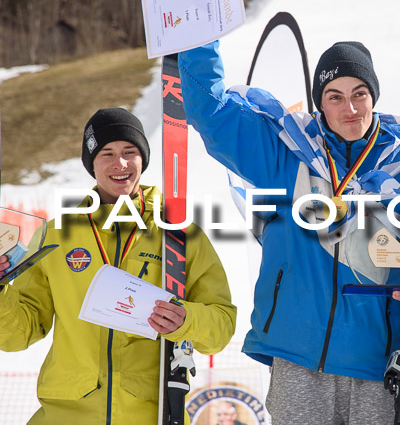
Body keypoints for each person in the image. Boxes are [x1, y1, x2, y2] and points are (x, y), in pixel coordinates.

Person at [177, 0, 400, 424]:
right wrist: (201, 31)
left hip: (377, 361)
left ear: (374, 96)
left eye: (359, 94)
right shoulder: (286, 153)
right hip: (298, 354)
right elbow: (210, 113)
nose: (348, 108)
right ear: (319, 100)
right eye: (334, 96)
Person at [0, 108, 237, 425]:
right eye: (106, 153)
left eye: (130, 152)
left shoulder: (179, 233)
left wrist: (187, 319)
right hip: (66, 414)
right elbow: (21, 332)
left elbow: (221, 325)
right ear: (91, 163)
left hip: (146, 413)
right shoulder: (57, 235)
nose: (120, 163)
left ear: (143, 159)